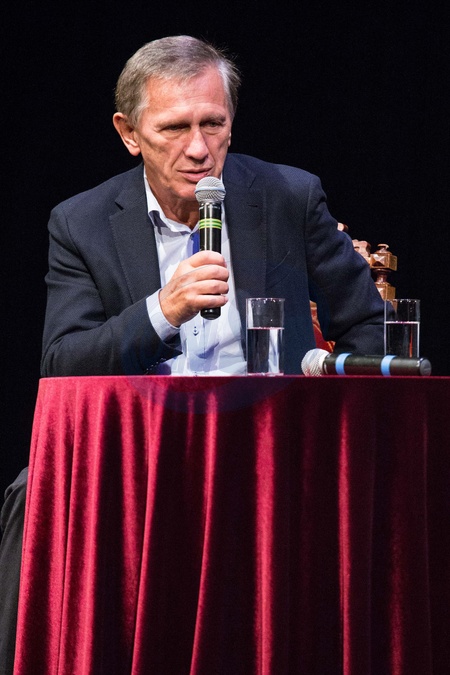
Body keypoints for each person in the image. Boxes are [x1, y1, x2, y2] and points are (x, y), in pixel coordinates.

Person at [0, 35, 385, 673]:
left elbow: (366, 326)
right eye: (175, 128)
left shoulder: (289, 197)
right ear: (129, 133)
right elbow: (63, 362)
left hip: (272, 457)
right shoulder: (81, 222)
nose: (200, 149)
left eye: (214, 124)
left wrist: (322, 430)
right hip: (140, 462)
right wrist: (162, 310)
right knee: (28, 495)